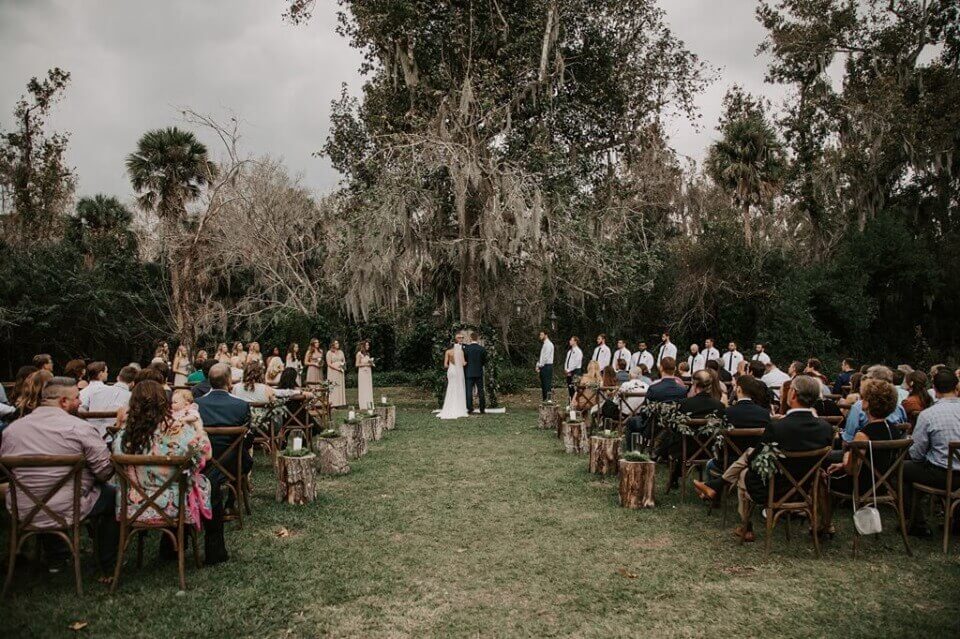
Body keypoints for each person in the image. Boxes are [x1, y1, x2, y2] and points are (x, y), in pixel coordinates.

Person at [0, 376, 118, 573]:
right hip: (68, 507)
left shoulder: (13, 430)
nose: (81, 401)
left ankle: (57, 556)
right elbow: (105, 472)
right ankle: (106, 562)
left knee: (45, 493)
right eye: (77, 397)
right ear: (64, 401)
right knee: (114, 496)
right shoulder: (80, 428)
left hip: (22, 508)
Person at [709, 376, 832, 541]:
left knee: (744, 473)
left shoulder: (778, 428)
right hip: (805, 490)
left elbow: (755, 462)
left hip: (772, 489)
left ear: (793, 394)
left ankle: (746, 526)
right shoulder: (825, 428)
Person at [113, 382, 216, 560]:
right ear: (163, 403)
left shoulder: (123, 435)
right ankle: (213, 551)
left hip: (131, 506)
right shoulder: (179, 431)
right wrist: (200, 428)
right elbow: (206, 455)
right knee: (207, 483)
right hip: (174, 506)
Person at [822, 379, 902, 531]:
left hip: (862, 485)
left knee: (822, 475)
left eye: (863, 398)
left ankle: (824, 524)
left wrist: (845, 458)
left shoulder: (863, 435)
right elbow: (875, 459)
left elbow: (851, 470)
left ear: (868, 403)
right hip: (885, 484)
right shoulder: (894, 430)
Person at [194, 363, 252, 563]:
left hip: (203, 464)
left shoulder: (196, 404)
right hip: (231, 466)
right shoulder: (241, 405)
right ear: (229, 381)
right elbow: (249, 440)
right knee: (245, 459)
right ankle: (231, 503)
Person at [902, 368, 960, 537]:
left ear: (934, 389)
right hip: (951, 472)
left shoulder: (928, 415)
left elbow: (916, 454)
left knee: (900, 469)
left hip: (941, 474)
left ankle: (917, 523)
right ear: (956, 388)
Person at [694, 375, 771, 500]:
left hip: (727, 462)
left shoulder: (727, 413)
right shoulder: (764, 414)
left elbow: (718, 440)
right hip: (754, 462)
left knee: (709, 464)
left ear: (739, 389)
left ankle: (713, 496)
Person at [842, 365, 907, 442]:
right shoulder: (899, 408)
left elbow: (848, 439)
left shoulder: (859, 407)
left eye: (867, 378)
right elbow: (903, 435)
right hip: (894, 451)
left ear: (872, 382)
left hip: (863, 451)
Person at [82, 365, 137, 437]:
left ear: (118, 378)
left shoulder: (96, 392)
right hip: (113, 438)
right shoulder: (132, 398)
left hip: (90, 435)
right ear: (133, 383)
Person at [438, 334, 469, 420]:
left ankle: (449, 406)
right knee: (458, 387)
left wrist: (452, 363)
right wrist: (466, 362)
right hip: (458, 371)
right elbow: (463, 363)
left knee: (451, 387)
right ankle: (459, 406)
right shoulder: (461, 352)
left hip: (451, 371)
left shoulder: (448, 352)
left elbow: (445, 365)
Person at [463, 333, 487, 414]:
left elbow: (465, 361)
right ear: (477, 338)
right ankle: (482, 409)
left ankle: (470, 408)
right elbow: (484, 361)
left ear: (470, 338)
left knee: (469, 391)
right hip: (479, 372)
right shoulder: (482, 349)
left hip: (469, 373)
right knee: (481, 391)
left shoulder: (466, 349)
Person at [354, 340, 375, 409]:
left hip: (368, 372)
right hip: (362, 372)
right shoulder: (359, 354)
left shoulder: (368, 354)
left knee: (368, 387)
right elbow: (357, 364)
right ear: (363, 346)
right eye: (366, 345)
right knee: (363, 387)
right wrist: (366, 364)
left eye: (368, 345)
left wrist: (371, 363)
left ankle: (369, 403)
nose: (368, 346)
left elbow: (369, 362)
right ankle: (363, 404)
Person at [326, 340, 347, 407]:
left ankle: (340, 402)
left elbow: (344, 361)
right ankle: (333, 403)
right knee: (334, 386)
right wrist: (337, 368)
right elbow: (329, 363)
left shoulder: (341, 352)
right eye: (336, 343)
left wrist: (343, 366)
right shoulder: (329, 353)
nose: (338, 344)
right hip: (333, 372)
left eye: (338, 343)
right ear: (333, 344)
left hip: (340, 371)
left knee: (340, 385)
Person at [536, 330, 555, 402]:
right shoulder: (545, 344)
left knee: (547, 383)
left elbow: (546, 357)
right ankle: (545, 400)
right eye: (540, 335)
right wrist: (538, 365)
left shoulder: (549, 344)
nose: (540, 336)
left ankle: (548, 400)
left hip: (547, 366)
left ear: (546, 335)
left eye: (541, 335)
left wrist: (540, 365)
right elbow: (542, 357)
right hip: (543, 366)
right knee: (543, 384)